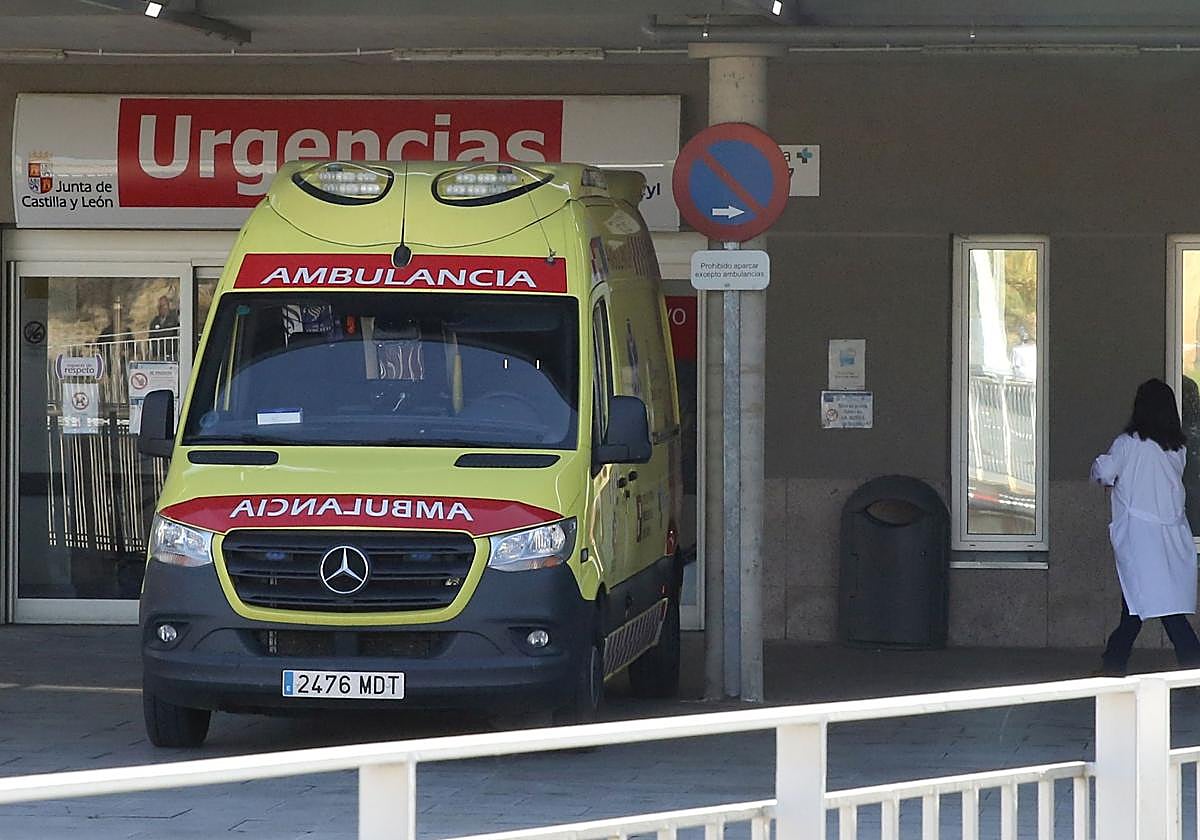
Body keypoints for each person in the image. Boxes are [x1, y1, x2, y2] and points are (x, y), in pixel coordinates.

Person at [1091, 378, 1200, 674]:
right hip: (1173, 536)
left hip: (1141, 539)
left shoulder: (1127, 444)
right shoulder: (1177, 448)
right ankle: (1189, 665)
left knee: (1137, 602)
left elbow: (1106, 471)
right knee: (1166, 606)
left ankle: (1114, 663)